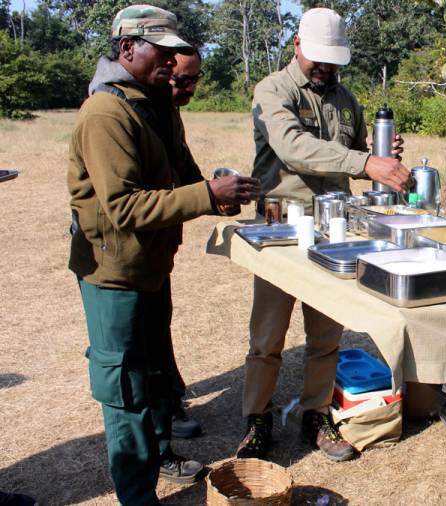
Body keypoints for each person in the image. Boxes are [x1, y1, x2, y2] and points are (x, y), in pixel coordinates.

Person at [68, 5, 260, 504]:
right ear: (127, 48)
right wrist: (205, 195)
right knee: (126, 387)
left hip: (151, 266)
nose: (173, 63)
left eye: (176, 52)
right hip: (114, 273)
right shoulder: (107, 112)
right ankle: (136, 495)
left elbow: (185, 177)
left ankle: (158, 458)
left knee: (154, 375)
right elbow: (122, 207)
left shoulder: (158, 105)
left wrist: (224, 193)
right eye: (163, 50)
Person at [236, 7, 409, 462]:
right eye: (317, 59)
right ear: (297, 46)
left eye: (332, 61)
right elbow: (293, 147)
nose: (324, 68)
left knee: (326, 335)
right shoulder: (272, 90)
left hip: (335, 230)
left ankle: (316, 415)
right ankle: (257, 421)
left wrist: (376, 155)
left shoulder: (347, 100)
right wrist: (365, 162)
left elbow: (348, 156)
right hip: (280, 227)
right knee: (267, 337)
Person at [167, 48, 205, 439]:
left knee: (158, 323)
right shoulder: (112, 109)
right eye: (182, 80)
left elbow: (183, 161)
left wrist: (215, 196)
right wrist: (208, 195)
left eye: (196, 79)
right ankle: (164, 413)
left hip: (158, 247)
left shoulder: (168, 111)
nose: (190, 87)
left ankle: (170, 400)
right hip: (118, 256)